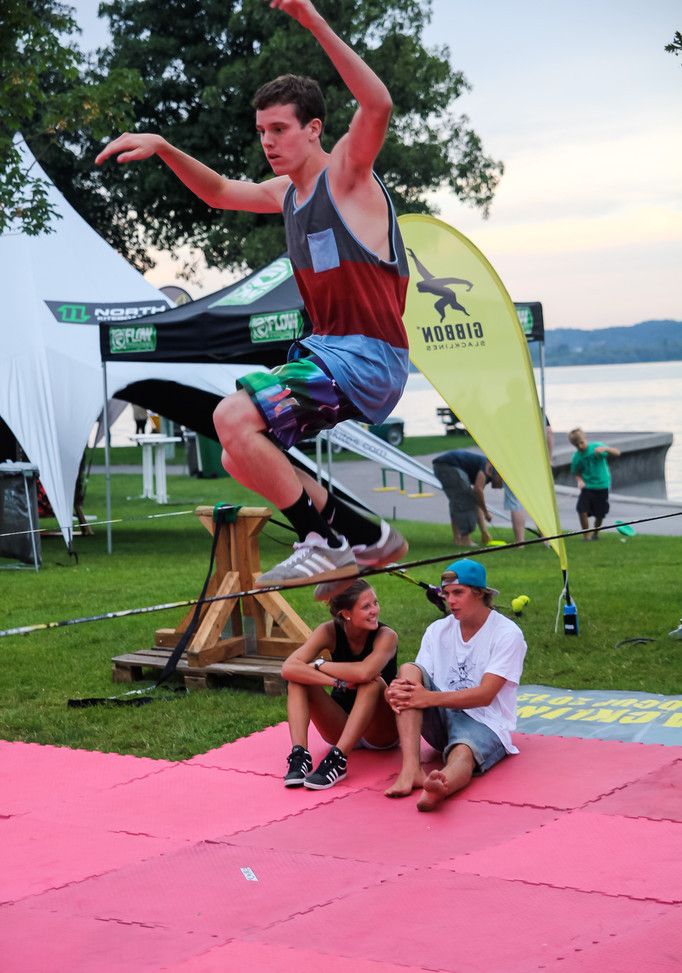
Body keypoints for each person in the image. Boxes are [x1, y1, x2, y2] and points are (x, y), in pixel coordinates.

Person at [95, 0, 410, 591]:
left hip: (368, 356)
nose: (267, 141)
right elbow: (217, 191)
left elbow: (378, 105)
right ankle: (365, 535)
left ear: (314, 129)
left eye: (279, 129)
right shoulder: (285, 194)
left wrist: (312, 20)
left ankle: (322, 543)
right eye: (261, 131)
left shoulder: (347, 177)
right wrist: (163, 146)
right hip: (330, 354)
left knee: (231, 415)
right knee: (238, 450)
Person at [384, 559, 526, 811]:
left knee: (463, 753)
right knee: (408, 670)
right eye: (446, 594)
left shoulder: (507, 633)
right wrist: (394, 693)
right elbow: (416, 683)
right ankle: (411, 769)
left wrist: (426, 698)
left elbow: (485, 695)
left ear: (480, 593)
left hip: (484, 721)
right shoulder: (437, 630)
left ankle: (440, 786)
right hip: (440, 717)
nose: (450, 601)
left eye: (458, 593)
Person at [280, 580, 398, 789]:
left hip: (380, 731)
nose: (375, 610)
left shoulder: (386, 636)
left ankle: (338, 760)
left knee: (371, 682)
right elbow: (288, 668)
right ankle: (300, 755)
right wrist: (337, 682)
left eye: (375, 603)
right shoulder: (329, 631)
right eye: (366, 606)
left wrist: (319, 665)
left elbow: (365, 672)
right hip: (340, 726)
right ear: (346, 614)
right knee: (297, 681)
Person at [431, 449, 503, 546]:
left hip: (442, 466)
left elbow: (477, 500)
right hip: (450, 465)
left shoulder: (489, 470)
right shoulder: (489, 470)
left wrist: (484, 532)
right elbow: (477, 490)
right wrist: (486, 512)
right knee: (466, 501)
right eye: (503, 483)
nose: (501, 487)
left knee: (457, 502)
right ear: (499, 475)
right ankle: (465, 540)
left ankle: (457, 539)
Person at [501, 415, 554, 543]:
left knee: (516, 501)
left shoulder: (506, 410)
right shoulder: (537, 409)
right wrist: (549, 458)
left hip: (513, 460)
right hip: (536, 461)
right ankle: (545, 539)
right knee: (539, 500)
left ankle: (520, 543)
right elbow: (549, 433)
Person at [567, 427, 621, 540]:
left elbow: (617, 452)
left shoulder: (596, 446)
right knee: (581, 509)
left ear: (585, 438)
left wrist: (606, 449)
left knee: (600, 513)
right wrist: (580, 481)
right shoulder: (576, 457)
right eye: (577, 445)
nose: (580, 446)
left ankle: (595, 534)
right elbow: (577, 472)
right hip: (587, 487)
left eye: (581, 443)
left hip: (602, 485)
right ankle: (586, 535)